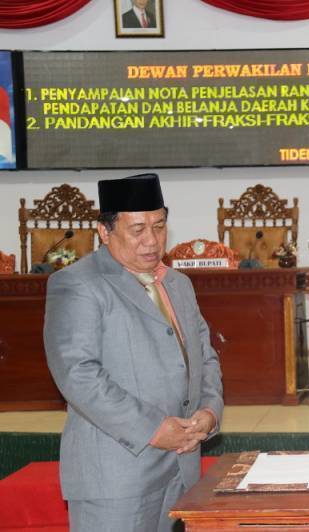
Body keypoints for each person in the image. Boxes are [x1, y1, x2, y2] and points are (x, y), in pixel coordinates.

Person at [44, 174, 224, 531]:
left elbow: (205, 357)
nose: (152, 241)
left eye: (159, 226)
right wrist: (153, 429)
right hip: (116, 475)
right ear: (104, 231)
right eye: (137, 229)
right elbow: (77, 373)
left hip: (181, 465)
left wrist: (208, 411)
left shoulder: (178, 283)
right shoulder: (78, 284)